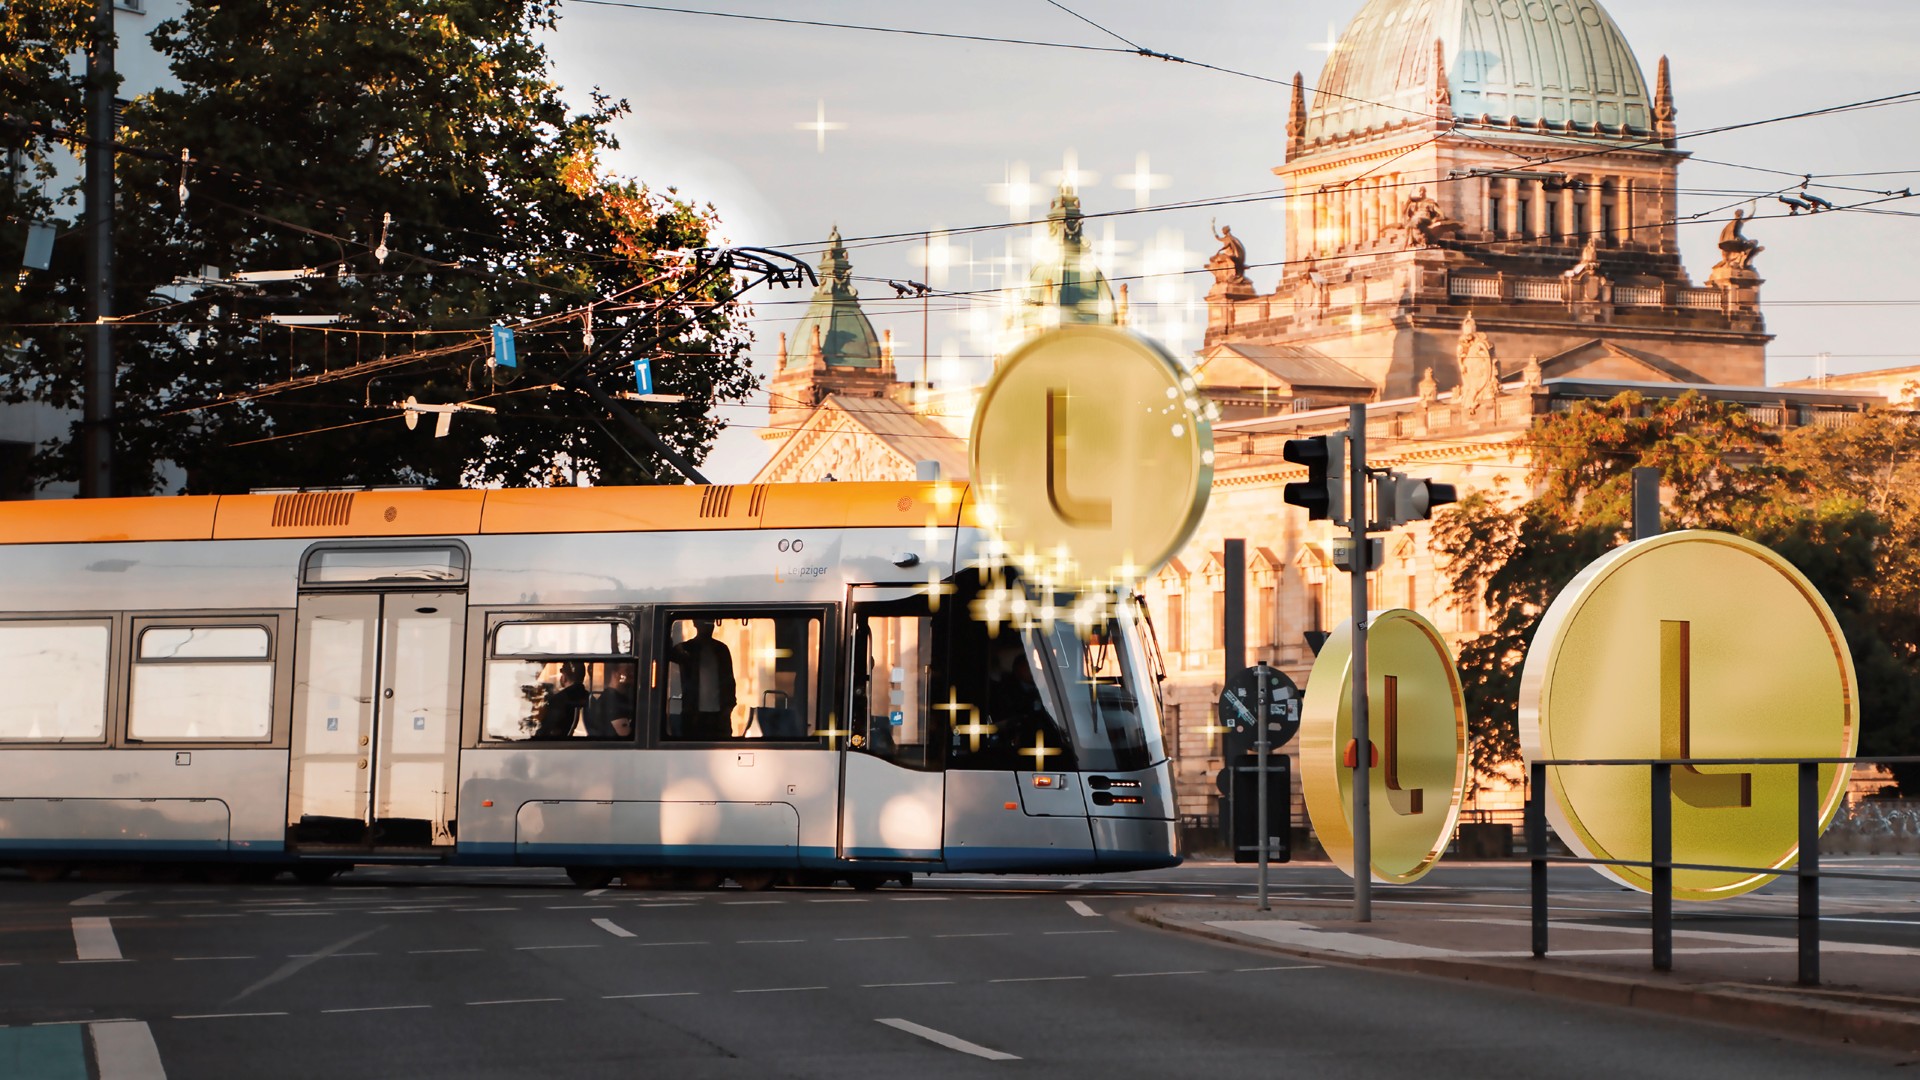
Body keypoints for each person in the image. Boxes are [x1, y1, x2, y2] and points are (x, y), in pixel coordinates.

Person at [670, 619, 736, 740]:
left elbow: (729, 682)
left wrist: (728, 708)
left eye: (711, 623)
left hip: (718, 718)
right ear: (696, 624)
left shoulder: (721, 650)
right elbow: (667, 652)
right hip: (694, 716)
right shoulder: (687, 649)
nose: (710, 626)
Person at [533, 661, 589, 740]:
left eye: (561, 672)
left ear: (564, 676)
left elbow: (543, 732)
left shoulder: (558, 700)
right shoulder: (590, 698)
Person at [588, 662, 637, 740]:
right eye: (627, 671)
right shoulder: (612, 701)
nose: (632, 675)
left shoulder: (623, 698)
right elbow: (625, 734)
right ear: (616, 675)